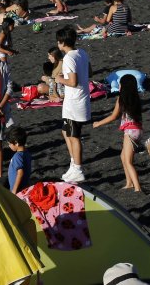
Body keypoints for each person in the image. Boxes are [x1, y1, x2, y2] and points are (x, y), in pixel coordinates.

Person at [93, 74, 144, 193]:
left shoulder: (121, 99)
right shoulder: (136, 98)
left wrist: (98, 123)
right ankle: (129, 183)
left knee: (128, 161)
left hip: (130, 132)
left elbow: (113, 116)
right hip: (138, 130)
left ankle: (137, 187)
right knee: (123, 157)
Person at [53, 25, 91, 183]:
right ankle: (73, 164)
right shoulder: (82, 52)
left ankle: (78, 167)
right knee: (66, 131)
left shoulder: (68, 58)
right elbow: (89, 72)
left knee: (74, 136)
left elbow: (73, 82)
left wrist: (59, 79)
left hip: (74, 104)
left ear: (62, 42)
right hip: (81, 101)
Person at [6, 127, 32, 193]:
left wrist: (14, 190)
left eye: (9, 144)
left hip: (18, 190)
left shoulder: (17, 156)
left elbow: (20, 173)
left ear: (16, 143)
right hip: (25, 187)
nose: (9, 146)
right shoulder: (27, 153)